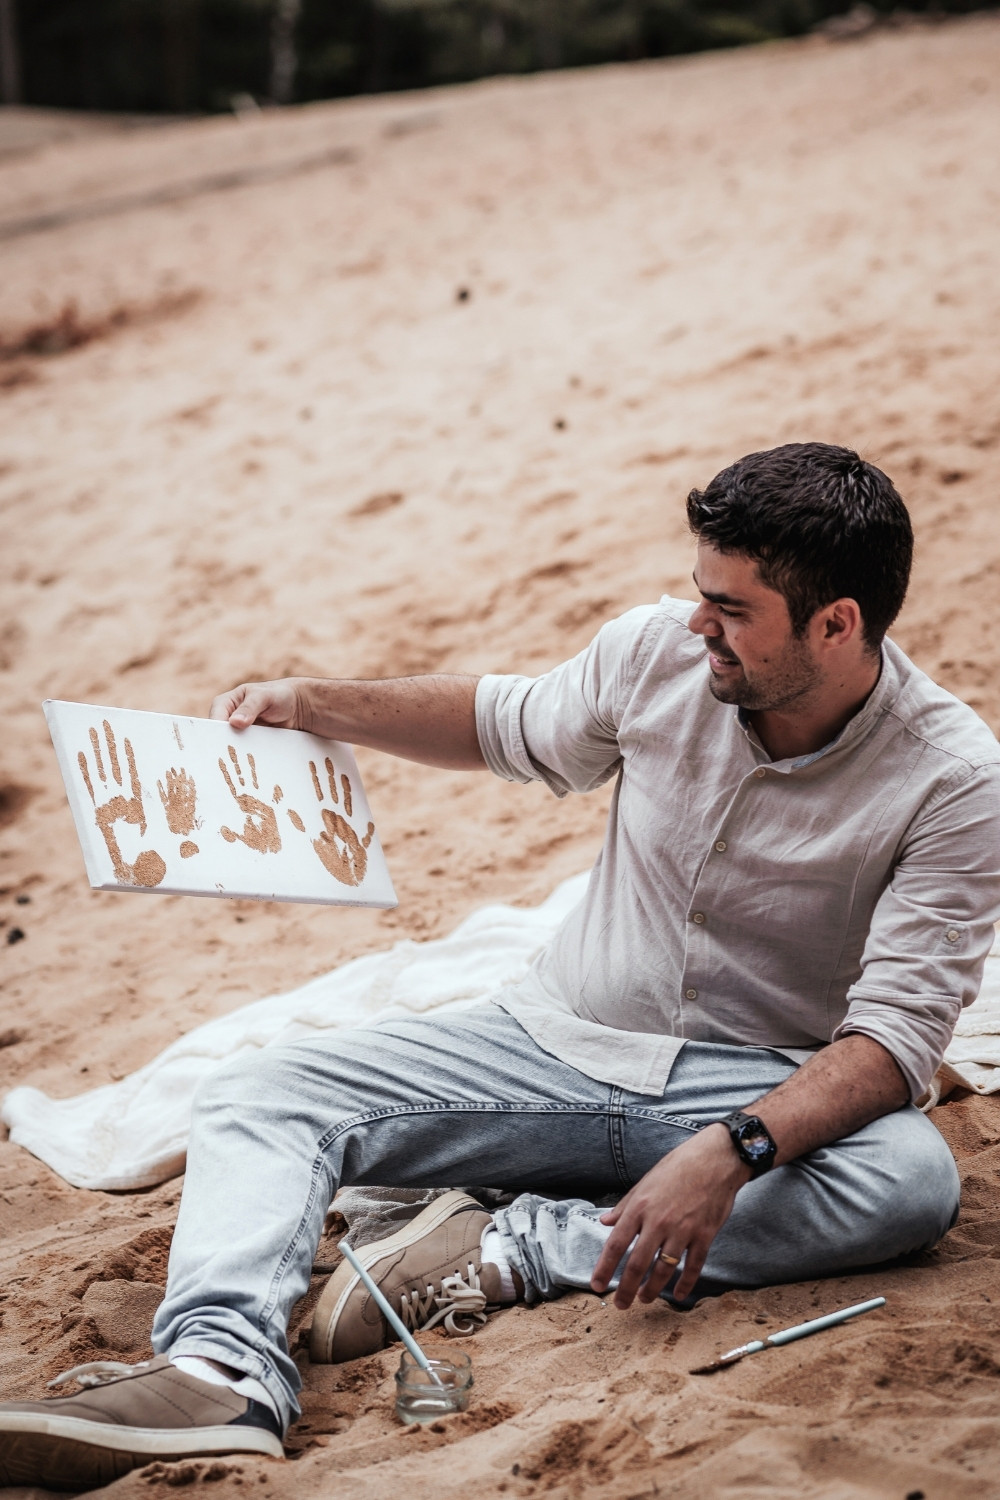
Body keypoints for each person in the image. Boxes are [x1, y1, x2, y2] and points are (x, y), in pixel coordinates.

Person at [3, 442, 999, 1492]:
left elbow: (893, 1041)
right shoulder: (654, 652)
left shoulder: (953, 780)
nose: (695, 623)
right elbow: (502, 722)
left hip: (746, 1079)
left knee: (909, 1180)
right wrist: (313, 702)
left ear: (835, 622)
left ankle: (511, 1251)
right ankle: (219, 1373)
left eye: (732, 609)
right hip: (548, 1041)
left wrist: (731, 1150)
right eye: (700, 593)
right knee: (258, 1089)